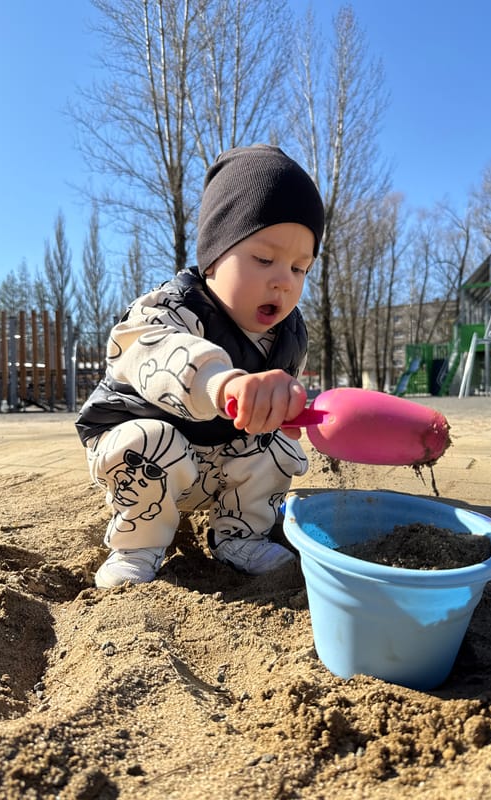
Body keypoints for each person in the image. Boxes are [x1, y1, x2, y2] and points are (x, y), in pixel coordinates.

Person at [76, 144, 325, 588]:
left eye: (300, 268)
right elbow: (159, 354)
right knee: (151, 439)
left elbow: (276, 424)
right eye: (264, 259)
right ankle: (139, 545)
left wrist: (287, 412)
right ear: (212, 257)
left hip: (214, 462)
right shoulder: (170, 309)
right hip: (144, 460)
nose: (283, 280)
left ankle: (240, 535)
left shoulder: (289, 336)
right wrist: (223, 383)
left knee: (279, 448)